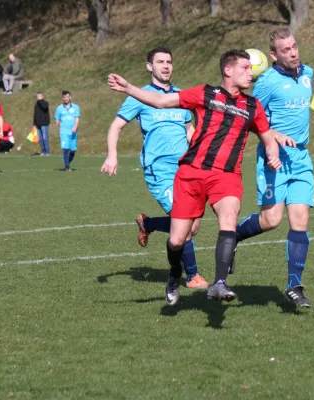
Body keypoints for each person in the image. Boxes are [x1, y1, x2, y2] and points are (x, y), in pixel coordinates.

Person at [106, 49, 289, 305]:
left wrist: (273, 153)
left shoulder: (252, 105)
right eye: (245, 68)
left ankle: (219, 283)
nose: (251, 73)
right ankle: (174, 273)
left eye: (251, 69)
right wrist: (128, 88)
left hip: (226, 175)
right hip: (191, 174)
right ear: (228, 70)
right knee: (178, 238)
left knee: (228, 218)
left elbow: (267, 137)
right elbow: (159, 102)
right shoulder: (205, 93)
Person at [101, 46, 209, 290]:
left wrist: (201, 153)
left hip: (185, 168)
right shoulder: (140, 96)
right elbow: (115, 126)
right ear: (150, 66)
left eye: (169, 61)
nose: (166, 66)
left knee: (194, 225)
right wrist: (112, 155)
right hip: (159, 169)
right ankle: (193, 276)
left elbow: (189, 130)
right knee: (186, 225)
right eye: (160, 62)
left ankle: (147, 224)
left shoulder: (181, 96)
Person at [233, 27, 314, 308]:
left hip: (301, 159)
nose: (293, 52)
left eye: (294, 46)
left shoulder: (308, 73)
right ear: (273, 55)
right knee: (271, 220)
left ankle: (294, 286)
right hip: (273, 158)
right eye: (285, 50)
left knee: (300, 221)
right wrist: (275, 136)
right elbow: (250, 118)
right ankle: (233, 235)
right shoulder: (267, 82)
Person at [54, 91, 80, 171]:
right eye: (64, 97)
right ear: (62, 98)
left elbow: (77, 118)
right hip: (64, 131)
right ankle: (67, 167)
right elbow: (57, 119)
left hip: (73, 132)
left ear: (70, 97)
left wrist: (75, 126)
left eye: (67, 97)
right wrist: (57, 123)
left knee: (73, 150)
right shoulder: (59, 108)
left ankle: (66, 162)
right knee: (66, 149)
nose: (66, 98)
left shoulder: (76, 107)